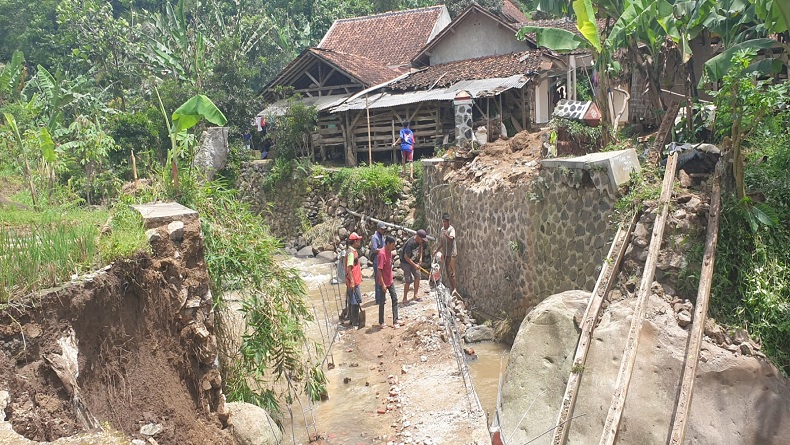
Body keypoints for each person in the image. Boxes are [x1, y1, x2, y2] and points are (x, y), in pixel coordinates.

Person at [377, 236, 400, 327]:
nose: (393, 247)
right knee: (382, 302)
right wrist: (383, 284)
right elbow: (379, 270)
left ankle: (395, 320)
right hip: (383, 282)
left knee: (394, 299)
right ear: (388, 244)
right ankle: (381, 322)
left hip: (390, 280)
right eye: (392, 245)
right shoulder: (382, 254)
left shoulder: (389, 252)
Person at [433, 213, 457, 294]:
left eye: (445, 222)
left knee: (452, 272)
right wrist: (437, 250)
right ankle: (451, 288)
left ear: (448, 222)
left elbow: (451, 239)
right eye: (443, 222)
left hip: (451, 253)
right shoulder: (442, 229)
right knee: (447, 272)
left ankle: (454, 289)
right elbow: (442, 242)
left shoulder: (451, 229)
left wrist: (447, 235)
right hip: (446, 253)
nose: (444, 223)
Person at [400, 229, 427, 304]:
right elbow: (406, 257)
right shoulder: (410, 243)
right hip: (405, 262)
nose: (422, 241)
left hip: (413, 260)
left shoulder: (420, 242)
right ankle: (404, 298)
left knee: (418, 275)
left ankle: (415, 295)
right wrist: (414, 265)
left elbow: (421, 247)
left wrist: (421, 258)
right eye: (422, 239)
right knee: (408, 280)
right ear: (418, 237)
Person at [345, 232, 364, 328]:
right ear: (355, 242)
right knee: (355, 301)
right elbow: (349, 268)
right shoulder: (351, 253)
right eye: (358, 240)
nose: (359, 242)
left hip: (355, 280)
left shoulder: (351, 251)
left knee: (354, 300)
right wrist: (352, 281)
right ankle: (355, 323)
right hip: (353, 281)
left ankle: (352, 320)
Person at [371, 222, 387, 307]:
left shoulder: (382, 236)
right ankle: (378, 299)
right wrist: (383, 251)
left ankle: (382, 297)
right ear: (378, 229)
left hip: (382, 259)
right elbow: (374, 249)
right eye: (382, 229)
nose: (383, 230)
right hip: (377, 260)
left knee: (383, 278)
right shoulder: (375, 237)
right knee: (378, 279)